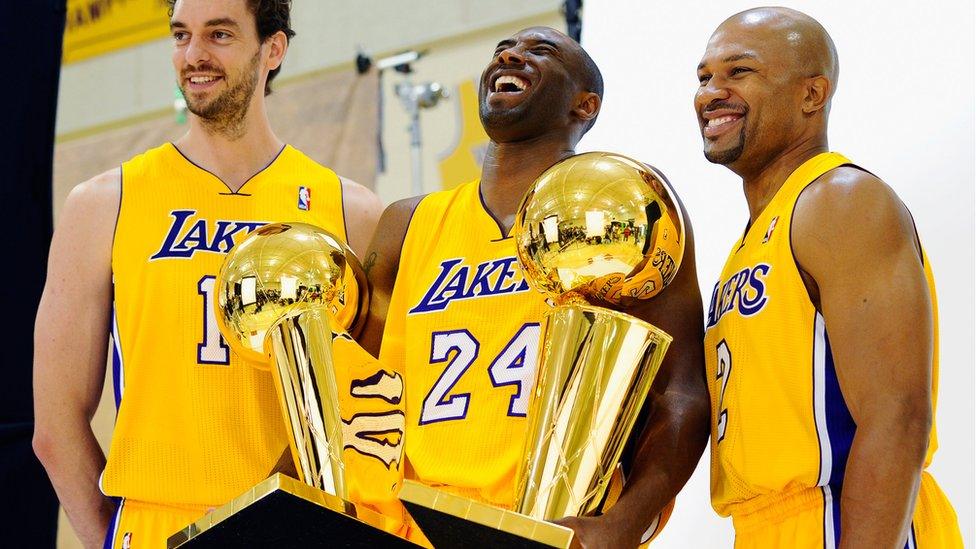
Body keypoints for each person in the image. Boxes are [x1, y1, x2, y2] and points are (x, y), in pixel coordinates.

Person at [31, 0, 387, 547]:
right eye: (180, 35)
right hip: (156, 524)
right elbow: (55, 429)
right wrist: (109, 533)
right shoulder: (104, 203)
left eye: (219, 34)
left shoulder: (351, 211)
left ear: (273, 48)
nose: (193, 55)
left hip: (298, 526)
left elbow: (376, 409)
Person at [362, 26, 710, 548]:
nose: (511, 55)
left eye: (540, 51)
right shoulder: (406, 224)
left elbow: (680, 391)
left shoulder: (623, 206)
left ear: (584, 106)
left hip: (554, 525)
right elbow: (355, 390)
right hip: (418, 525)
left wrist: (625, 521)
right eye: (504, 50)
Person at [695, 7, 962, 547]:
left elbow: (898, 417)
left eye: (739, 72)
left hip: (843, 521)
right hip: (766, 528)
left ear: (812, 95)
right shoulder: (753, 238)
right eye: (704, 78)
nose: (710, 93)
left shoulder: (839, 200)